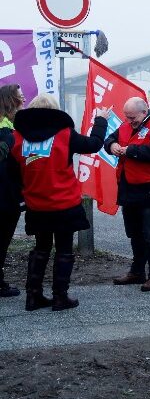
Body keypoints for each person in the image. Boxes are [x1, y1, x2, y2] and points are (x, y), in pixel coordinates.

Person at [10, 94, 109, 311]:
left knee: (41, 248)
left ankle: (33, 296)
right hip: (64, 204)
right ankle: (59, 297)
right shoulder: (65, 135)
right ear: (55, 112)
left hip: (36, 205)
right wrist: (101, 120)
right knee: (64, 249)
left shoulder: (17, 138)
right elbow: (93, 144)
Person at [106, 97, 150, 292]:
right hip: (129, 186)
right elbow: (109, 138)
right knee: (134, 232)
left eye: (133, 118)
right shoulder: (126, 125)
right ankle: (137, 271)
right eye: (127, 117)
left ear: (144, 112)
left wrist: (131, 151)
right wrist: (112, 145)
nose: (129, 121)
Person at [0, 84, 25, 298]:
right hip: (5, 195)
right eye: (20, 95)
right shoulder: (7, 129)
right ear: (10, 99)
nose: (23, 97)